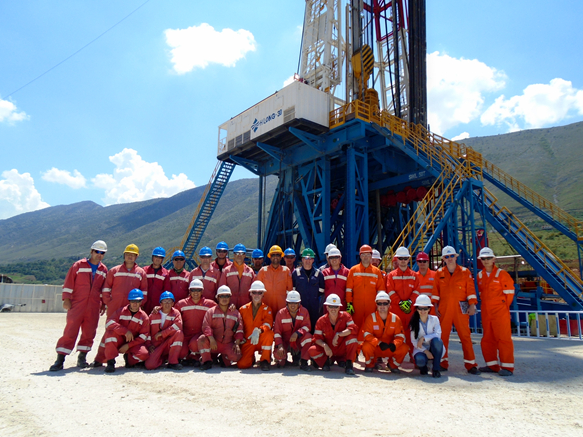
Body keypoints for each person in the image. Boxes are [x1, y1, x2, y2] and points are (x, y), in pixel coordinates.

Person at [50, 240, 108, 371]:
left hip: (93, 306)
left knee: (89, 332)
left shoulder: (103, 270)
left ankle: (82, 358)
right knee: (70, 330)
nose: (99, 255)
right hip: (77, 304)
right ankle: (60, 360)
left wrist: (103, 303)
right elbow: (69, 282)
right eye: (97, 252)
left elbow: (103, 289)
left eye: (102, 253)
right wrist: (66, 299)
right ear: (91, 251)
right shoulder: (78, 265)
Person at [92, 243, 148, 367]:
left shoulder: (141, 273)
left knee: (131, 333)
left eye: (133, 255)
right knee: (110, 332)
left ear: (136, 257)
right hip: (115, 306)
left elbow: (144, 291)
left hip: (132, 307)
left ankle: (128, 355)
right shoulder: (114, 271)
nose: (130, 257)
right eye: (128, 254)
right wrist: (108, 302)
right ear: (124, 255)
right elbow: (106, 288)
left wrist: (140, 305)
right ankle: (101, 359)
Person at [433, 246, 480, 374]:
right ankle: (442, 362)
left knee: (465, 336)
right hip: (444, 309)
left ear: (456, 257)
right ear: (443, 259)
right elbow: (436, 292)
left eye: (452, 256)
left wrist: (472, 305)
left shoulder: (465, 272)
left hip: (461, 309)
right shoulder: (439, 273)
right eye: (447, 257)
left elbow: (470, 290)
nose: (450, 259)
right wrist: (435, 307)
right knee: (443, 337)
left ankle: (471, 364)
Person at [476, 247, 515, 376]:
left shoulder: (502, 274)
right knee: (487, 338)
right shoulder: (480, 276)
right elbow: (481, 293)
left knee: (503, 338)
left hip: (500, 311)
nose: (486, 261)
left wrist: (502, 307)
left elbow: (509, 294)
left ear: (493, 259)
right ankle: (492, 365)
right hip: (486, 311)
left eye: (488, 258)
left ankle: (507, 367)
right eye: (483, 259)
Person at [308, 294, 359, 375]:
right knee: (312, 350)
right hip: (328, 350)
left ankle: (349, 365)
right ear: (327, 307)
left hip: (341, 348)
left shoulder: (346, 316)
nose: (333, 309)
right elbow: (316, 338)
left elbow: (353, 329)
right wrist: (325, 345)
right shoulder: (321, 321)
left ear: (339, 307)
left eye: (336, 306)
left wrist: (339, 334)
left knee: (353, 339)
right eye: (331, 306)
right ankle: (325, 363)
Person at [197, 285, 244, 370]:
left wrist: (237, 344)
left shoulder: (235, 313)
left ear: (230, 297)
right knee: (202, 339)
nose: (224, 298)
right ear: (218, 298)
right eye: (222, 296)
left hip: (228, 343)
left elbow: (239, 329)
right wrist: (211, 339)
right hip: (214, 342)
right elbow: (206, 326)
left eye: (227, 296)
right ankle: (206, 361)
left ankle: (223, 359)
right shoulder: (211, 311)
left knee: (237, 356)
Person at [103, 289, 150, 373]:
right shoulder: (120, 311)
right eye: (132, 301)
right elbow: (109, 323)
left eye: (137, 301)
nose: (135, 304)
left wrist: (128, 345)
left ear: (141, 302)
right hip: (120, 340)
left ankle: (129, 359)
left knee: (144, 355)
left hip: (133, 343)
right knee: (110, 334)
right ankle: (110, 362)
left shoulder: (144, 317)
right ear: (129, 301)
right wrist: (125, 331)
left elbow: (143, 337)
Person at [360, 291, 409, 373]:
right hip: (376, 347)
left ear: (389, 304)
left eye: (385, 303)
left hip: (389, 347)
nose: (382, 306)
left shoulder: (396, 318)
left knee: (404, 348)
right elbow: (367, 335)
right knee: (366, 346)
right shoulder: (370, 318)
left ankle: (392, 365)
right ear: (376, 305)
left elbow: (400, 336)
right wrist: (379, 343)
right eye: (379, 303)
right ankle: (370, 365)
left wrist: (394, 344)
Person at [385, 246, 420, 359]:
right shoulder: (391, 275)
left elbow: (416, 291)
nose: (403, 261)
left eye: (405, 258)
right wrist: (400, 303)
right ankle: (393, 359)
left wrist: (409, 302)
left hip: (410, 311)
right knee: (394, 335)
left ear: (408, 259)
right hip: (396, 311)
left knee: (412, 335)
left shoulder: (414, 276)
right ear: (397, 259)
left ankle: (414, 357)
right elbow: (390, 291)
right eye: (401, 258)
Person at [345, 244, 386, 337]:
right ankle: (355, 345)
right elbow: (349, 289)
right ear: (360, 256)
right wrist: (349, 303)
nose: (366, 257)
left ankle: (371, 345)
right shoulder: (353, 270)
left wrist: (379, 304)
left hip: (372, 306)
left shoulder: (376, 272)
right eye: (363, 255)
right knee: (355, 328)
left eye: (368, 254)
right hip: (356, 306)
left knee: (372, 327)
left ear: (371, 256)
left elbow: (381, 290)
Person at [175, 279, 216, 366]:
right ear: (189, 291)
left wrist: (231, 307)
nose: (196, 292)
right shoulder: (181, 304)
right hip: (186, 334)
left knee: (194, 344)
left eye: (198, 290)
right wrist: (159, 308)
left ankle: (196, 357)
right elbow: (171, 312)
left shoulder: (210, 304)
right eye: (193, 290)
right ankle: (187, 357)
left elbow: (221, 309)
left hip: (199, 334)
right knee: (181, 352)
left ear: (202, 291)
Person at [237, 281, 274, 370]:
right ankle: (251, 358)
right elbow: (239, 326)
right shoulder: (242, 309)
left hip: (261, 338)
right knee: (242, 365)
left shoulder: (267, 309)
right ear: (250, 293)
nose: (257, 295)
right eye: (254, 292)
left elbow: (268, 324)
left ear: (263, 294)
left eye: (259, 292)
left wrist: (259, 330)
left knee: (269, 334)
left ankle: (265, 360)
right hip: (248, 340)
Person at [273, 290, 313, 371]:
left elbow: (307, 326)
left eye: (295, 303)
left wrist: (297, 333)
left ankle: (303, 362)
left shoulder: (304, 311)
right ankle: (283, 360)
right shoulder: (281, 313)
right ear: (287, 303)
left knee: (309, 337)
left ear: (299, 303)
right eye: (290, 303)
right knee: (279, 357)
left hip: (297, 341)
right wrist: (280, 346)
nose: (293, 305)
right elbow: (277, 332)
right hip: (285, 342)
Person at [144, 291, 184, 370]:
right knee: (150, 365)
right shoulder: (153, 315)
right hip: (156, 345)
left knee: (179, 333)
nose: (167, 304)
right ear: (160, 303)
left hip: (168, 342)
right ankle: (162, 359)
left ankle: (173, 362)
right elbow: (147, 332)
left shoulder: (176, 313)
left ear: (173, 303)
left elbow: (178, 326)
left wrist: (162, 333)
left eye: (169, 301)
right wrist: (149, 345)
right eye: (165, 301)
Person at [409, 295, 443, 378]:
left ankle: (436, 369)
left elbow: (438, 334)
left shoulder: (435, 319)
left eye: (425, 308)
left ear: (429, 309)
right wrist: (425, 351)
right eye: (420, 308)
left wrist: (423, 338)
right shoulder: (413, 322)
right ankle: (424, 368)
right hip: (421, 348)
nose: (423, 311)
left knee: (437, 341)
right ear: (417, 309)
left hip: (434, 347)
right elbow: (414, 341)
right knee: (420, 360)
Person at [291, 248, 325, 332]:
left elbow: (321, 291)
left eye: (310, 258)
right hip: (300, 306)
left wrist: (313, 296)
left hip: (314, 307)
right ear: (302, 259)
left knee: (314, 327)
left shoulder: (318, 274)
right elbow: (293, 290)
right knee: (300, 327)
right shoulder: (296, 274)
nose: (308, 261)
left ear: (313, 260)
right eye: (306, 258)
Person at [256, 245, 293, 313]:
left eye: (278, 255)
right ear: (270, 257)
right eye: (273, 255)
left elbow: (290, 290)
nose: (275, 257)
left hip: (282, 309)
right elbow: (257, 291)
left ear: (281, 257)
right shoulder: (263, 271)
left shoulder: (286, 271)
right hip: (265, 308)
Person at [218, 243, 255, 309]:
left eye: (241, 253)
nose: (239, 255)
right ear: (234, 254)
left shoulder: (250, 271)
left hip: (246, 307)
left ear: (245, 255)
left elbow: (254, 291)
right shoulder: (227, 271)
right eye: (237, 253)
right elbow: (221, 289)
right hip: (230, 307)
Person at [142, 247, 170, 315]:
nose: (158, 259)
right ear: (152, 257)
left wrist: (161, 306)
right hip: (144, 305)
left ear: (162, 259)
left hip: (157, 306)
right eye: (156, 256)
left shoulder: (165, 273)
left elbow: (166, 291)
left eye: (160, 257)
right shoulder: (144, 270)